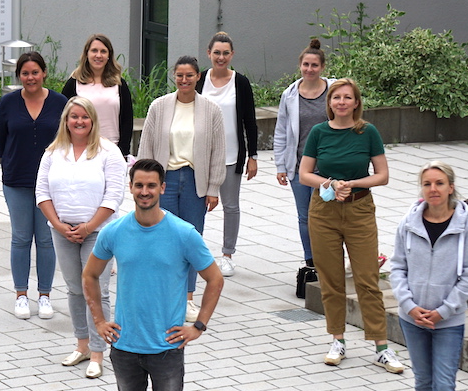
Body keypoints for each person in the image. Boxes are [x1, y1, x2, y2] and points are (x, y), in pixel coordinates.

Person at [84, 159, 223, 391]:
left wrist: (199, 326)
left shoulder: (182, 233)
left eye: (151, 186)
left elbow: (215, 279)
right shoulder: (115, 232)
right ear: (130, 188)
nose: (144, 192)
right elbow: (90, 276)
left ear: (162, 188)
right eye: (138, 185)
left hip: (167, 347)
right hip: (125, 344)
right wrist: (99, 321)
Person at [298, 78, 401, 372]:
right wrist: (330, 183)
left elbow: (382, 175)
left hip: (359, 209)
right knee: (330, 280)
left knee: (367, 279)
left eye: (347, 97)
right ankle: (338, 340)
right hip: (324, 210)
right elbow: (305, 174)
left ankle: (381, 347)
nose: (341, 102)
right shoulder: (319, 132)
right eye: (336, 97)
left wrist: (352, 183)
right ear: (329, 103)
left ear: (356, 103)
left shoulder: (367, 132)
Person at [389, 161, 468, 391]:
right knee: (424, 381)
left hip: (448, 321)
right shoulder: (408, 223)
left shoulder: (467, 226)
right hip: (412, 317)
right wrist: (410, 306)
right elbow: (396, 268)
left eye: (439, 183)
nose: (433, 189)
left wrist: (443, 311)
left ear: (451, 187)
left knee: (444, 385)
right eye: (427, 184)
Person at [36, 97, 127, 379]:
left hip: (97, 232)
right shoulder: (53, 152)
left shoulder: (108, 152)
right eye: (73, 117)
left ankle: (99, 351)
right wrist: (58, 224)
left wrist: (89, 227)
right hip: (62, 231)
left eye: (84, 117)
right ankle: (82, 345)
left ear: (93, 120)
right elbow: (42, 192)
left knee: (97, 290)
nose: (79, 122)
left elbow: (114, 196)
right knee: (75, 289)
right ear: (66, 120)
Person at [137, 56, 226, 321]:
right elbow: (147, 146)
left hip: (195, 182)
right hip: (165, 180)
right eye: (179, 76)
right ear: (174, 77)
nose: (184, 80)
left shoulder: (211, 110)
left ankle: (187, 298)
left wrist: (213, 187)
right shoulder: (159, 106)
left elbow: (218, 151)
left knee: (190, 239)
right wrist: (142, 184)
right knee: (161, 239)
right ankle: (163, 295)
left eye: (189, 75)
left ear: (198, 77)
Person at [0, 51, 67, 320]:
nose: (30, 77)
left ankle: (45, 295)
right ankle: (21, 295)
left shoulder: (60, 102)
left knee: (46, 240)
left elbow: (69, 137)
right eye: (25, 73)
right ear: (19, 76)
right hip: (17, 180)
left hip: (51, 182)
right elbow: (0, 141)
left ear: (44, 73)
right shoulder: (8, 103)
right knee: (21, 237)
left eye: (35, 72)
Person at [273, 38, 335, 296]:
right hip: (299, 166)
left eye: (314, 65)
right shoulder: (290, 94)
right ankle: (311, 263)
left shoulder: (334, 91)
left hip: (328, 168)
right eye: (305, 65)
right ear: (300, 66)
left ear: (322, 67)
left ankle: (328, 263)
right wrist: (280, 165)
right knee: (305, 217)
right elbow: (281, 131)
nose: (310, 69)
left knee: (326, 217)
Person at [196, 32, 258, 277]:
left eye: (225, 53)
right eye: (216, 53)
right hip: (202, 155)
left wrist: (252, 155)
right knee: (197, 203)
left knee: (230, 205)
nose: (220, 57)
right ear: (208, 53)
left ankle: (227, 254)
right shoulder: (200, 80)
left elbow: (249, 121)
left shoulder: (240, 82)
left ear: (232, 55)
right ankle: (195, 251)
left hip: (232, 154)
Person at [62, 34, 134, 157]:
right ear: (87, 54)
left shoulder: (119, 84)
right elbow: (63, 117)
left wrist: (122, 150)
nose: (98, 55)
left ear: (109, 56)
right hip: (82, 149)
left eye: (103, 51)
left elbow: (127, 119)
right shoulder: (74, 83)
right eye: (94, 50)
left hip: (113, 148)